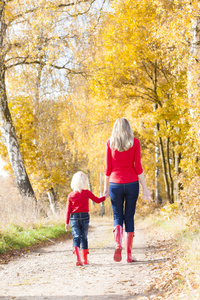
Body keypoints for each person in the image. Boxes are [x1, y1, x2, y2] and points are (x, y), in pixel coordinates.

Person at [104, 117, 152, 263]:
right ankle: (128, 255)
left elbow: (108, 168)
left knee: (117, 216)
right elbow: (138, 167)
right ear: (128, 128)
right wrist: (145, 189)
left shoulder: (109, 143)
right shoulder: (135, 142)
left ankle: (118, 243)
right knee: (129, 216)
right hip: (132, 183)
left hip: (115, 184)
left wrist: (105, 188)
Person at [65, 171, 109, 266]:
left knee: (76, 237)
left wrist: (66, 223)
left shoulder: (71, 195)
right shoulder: (87, 193)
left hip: (74, 218)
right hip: (85, 216)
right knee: (84, 237)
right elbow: (97, 200)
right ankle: (85, 260)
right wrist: (105, 197)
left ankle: (78, 258)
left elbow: (68, 210)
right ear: (83, 182)